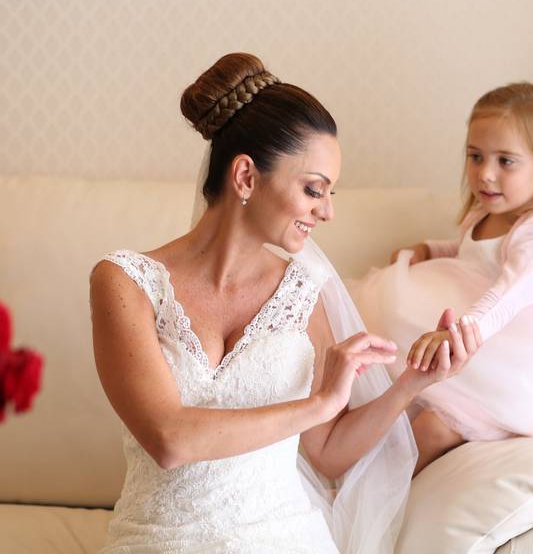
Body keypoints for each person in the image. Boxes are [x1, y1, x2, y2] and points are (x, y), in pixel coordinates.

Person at [89, 53, 480, 552]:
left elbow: (328, 453)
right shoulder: (125, 283)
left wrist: (410, 385)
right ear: (247, 177)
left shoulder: (302, 293)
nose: (328, 211)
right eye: (314, 189)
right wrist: (318, 405)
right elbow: (169, 440)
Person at [352, 82, 533, 476]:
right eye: (475, 156)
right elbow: (468, 252)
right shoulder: (485, 215)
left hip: (520, 369)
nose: (485, 174)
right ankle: (362, 480)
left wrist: (456, 335)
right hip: (481, 349)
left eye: (506, 161)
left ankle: (375, 493)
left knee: (431, 431)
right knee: (399, 396)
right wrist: (430, 250)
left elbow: (503, 298)